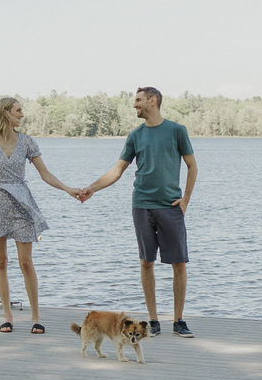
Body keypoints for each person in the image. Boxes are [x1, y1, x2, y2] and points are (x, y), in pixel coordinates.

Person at [81, 86, 197, 336]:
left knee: (179, 263)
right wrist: (92, 188)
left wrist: (185, 199)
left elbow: (192, 166)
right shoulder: (135, 136)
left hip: (170, 206)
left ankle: (178, 320)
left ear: (152, 101)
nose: (134, 105)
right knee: (146, 262)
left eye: (138, 100)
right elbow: (116, 171)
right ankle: (154, 321)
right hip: (142, 205)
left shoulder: (177, 131)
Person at [0, 96, 80, 334]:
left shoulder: (27, 142)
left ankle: (35, 317)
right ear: (5, 113)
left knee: (26, 262)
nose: (22, 114)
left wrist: (68, 189)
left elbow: (45, 174)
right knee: (1, 261)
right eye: (18, 110)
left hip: (22, 204)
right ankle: (8, 317)